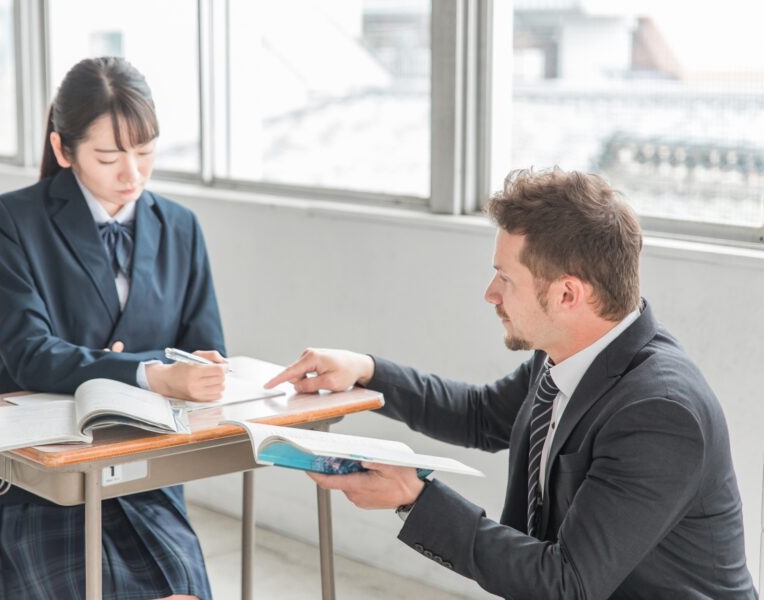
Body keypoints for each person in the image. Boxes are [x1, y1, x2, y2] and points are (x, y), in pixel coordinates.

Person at [265, 168, 757, 599]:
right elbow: (479, 415)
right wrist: (367, 369)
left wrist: (413, 499)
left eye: (505, 278)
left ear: (567, 293)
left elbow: (568, 584)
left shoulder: (660, 413)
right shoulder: (567, 357)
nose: (490, 293)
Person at [0, 57, 226, 600]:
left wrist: (204, 375)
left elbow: (204, 349)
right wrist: (152, 375)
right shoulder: (10, 220)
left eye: (145, 152)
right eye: (109, 157)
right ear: (64, 150)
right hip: (32, 476)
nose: (132, 175)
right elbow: (30, 354)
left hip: (143, 476)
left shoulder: (181, 227)